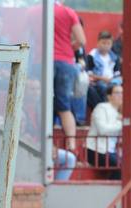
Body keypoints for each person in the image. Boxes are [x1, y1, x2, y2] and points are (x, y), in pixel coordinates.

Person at [52, 0, 86, 152]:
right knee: (64, 105)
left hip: (42, 60)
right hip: (65, 61)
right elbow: (81, 40)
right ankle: (71, 144)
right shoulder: (68, 12)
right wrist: (69, 48)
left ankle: (46, 142)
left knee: (44, 104)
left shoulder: (34, 11)